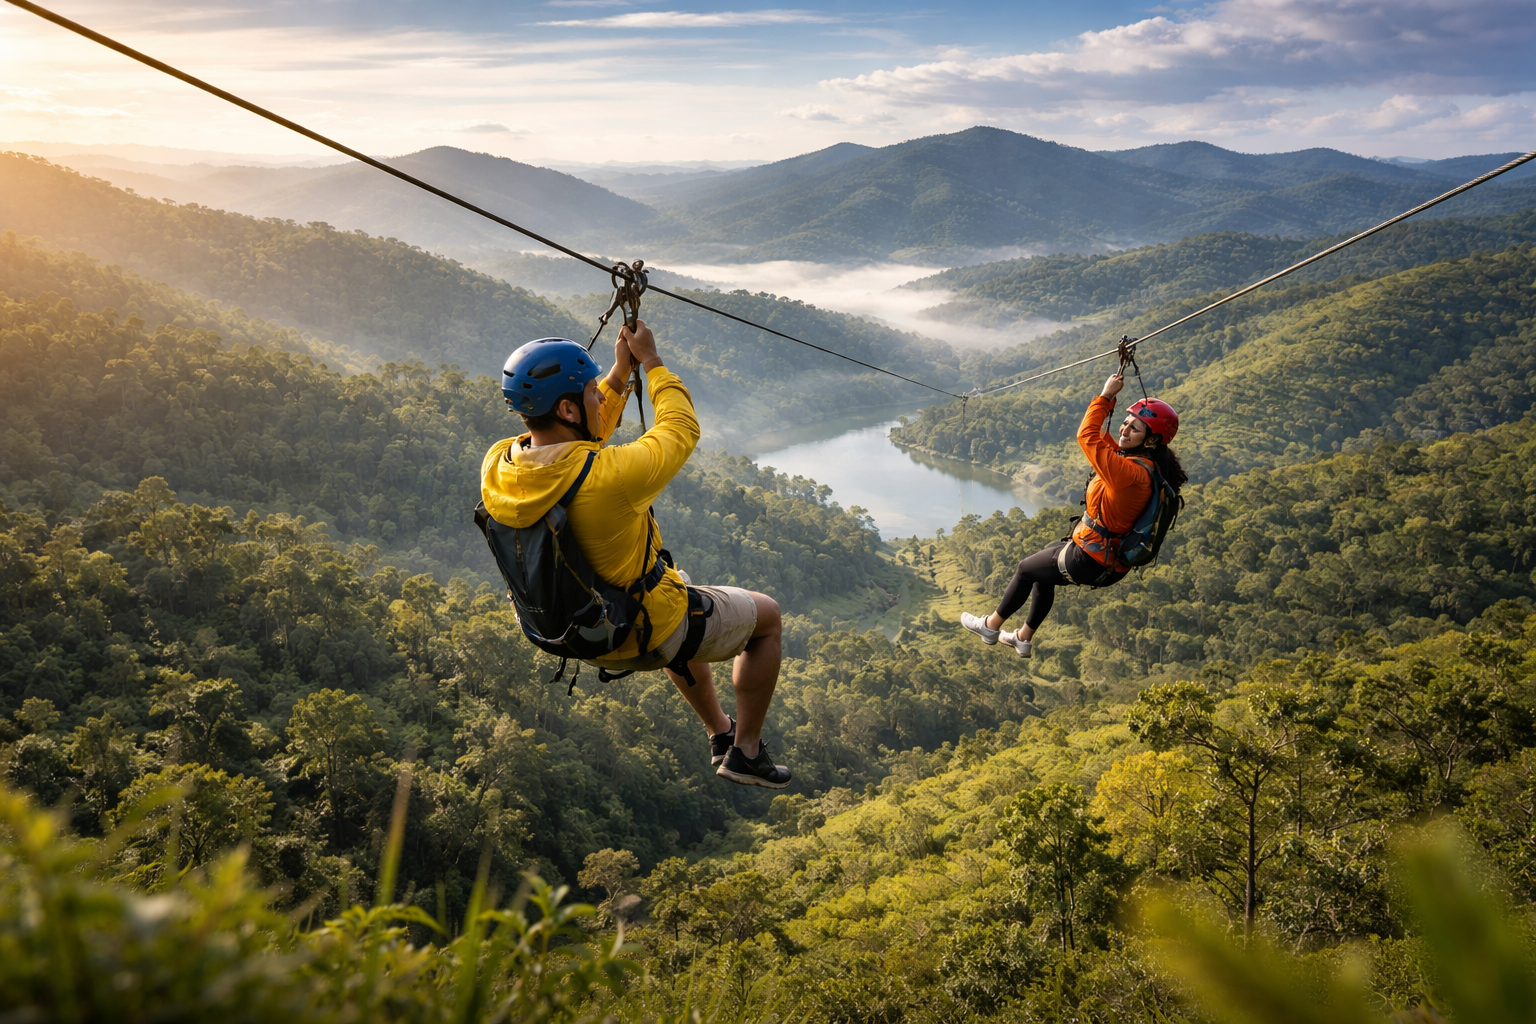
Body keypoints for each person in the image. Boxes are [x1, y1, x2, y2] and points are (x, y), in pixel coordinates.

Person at [481, 321, 792, 789]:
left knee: (677, 582)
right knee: (767, 619)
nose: (597, 400)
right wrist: (650, 363)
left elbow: (581, 434)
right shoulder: (612, 477)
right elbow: (681, 428)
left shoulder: (501, 463)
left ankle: (718, 731)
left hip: (567, 627)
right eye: (589, 393)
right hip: (637, 632)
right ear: (567, 407)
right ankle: (746, 750)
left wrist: (617, 374)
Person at [961, 370, 1186, 656]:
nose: (1124, 430)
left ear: (1151, 441)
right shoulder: (1143, 467)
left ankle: (990, 627)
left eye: (1134, 429)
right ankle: (1022, 638)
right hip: (1103, 557)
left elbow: (1087, 437)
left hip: (1090, 557)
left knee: (1025, 569)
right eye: (1126, 423)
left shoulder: (1129, 474)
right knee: (1042, 569)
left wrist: (1104, 397)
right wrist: (1109, 406)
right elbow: (1106, 444)